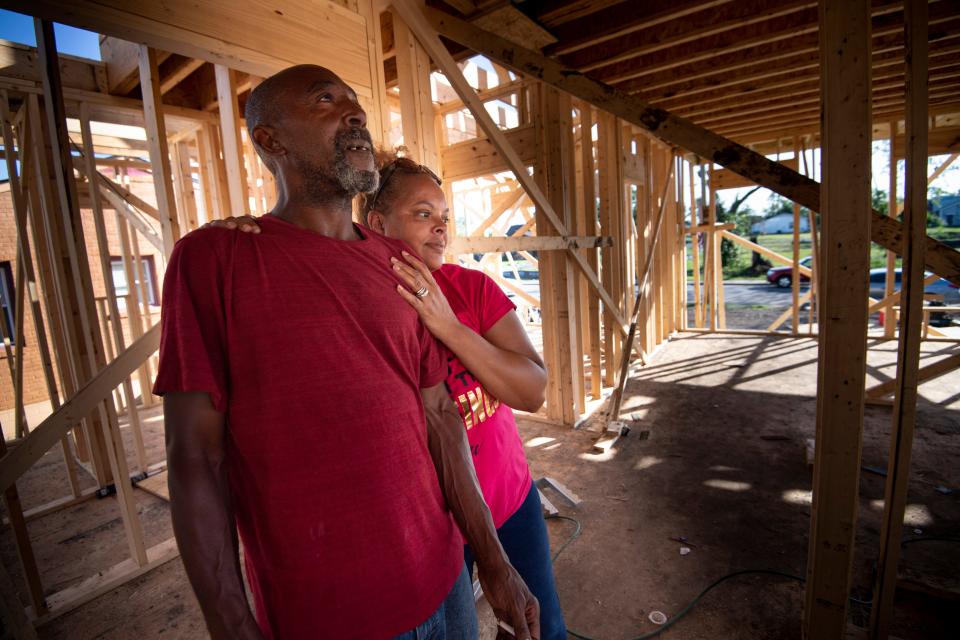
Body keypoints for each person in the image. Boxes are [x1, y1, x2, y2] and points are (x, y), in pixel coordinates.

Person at [154, 64, 538, 640]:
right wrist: (231, 624)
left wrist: (492, 557)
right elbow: (195, 459)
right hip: (327, 615)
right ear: (270, 140)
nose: (354, 113)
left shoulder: (397, 264)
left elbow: (440, 418)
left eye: (355, 102)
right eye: (324, 100)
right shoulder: (215, 260)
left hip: (444, 585)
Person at [212, 155, 568, 640]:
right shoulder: (354, 303)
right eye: (423, 214)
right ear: (376, 223)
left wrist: (449, 328)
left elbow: (532, 391)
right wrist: (234, 237)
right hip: (432, 530)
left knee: (538, 626)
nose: (441, 229)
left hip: (507, 501)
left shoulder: (471, 289)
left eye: (444, 217)